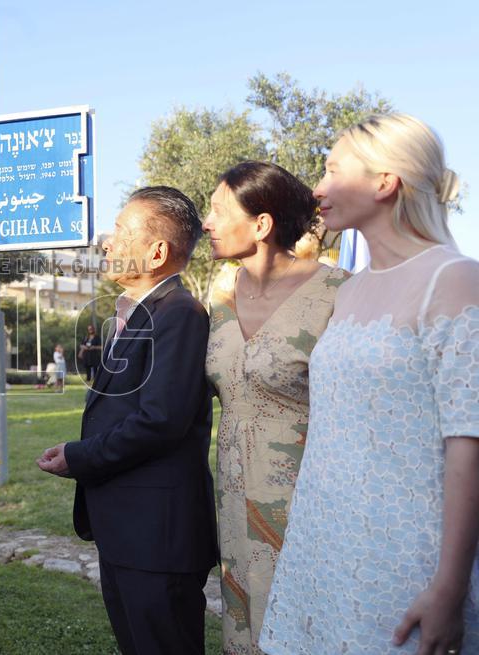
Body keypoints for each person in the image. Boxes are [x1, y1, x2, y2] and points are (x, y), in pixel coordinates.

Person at [260, 114, 479, 655]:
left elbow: (468, 443)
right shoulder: (352, 290)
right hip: (328, 548)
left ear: (385, 182)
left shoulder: (452, 280)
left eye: (334, 171)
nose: (318, 188)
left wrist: (449, 588)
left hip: (406, 563)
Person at [37, 186, 218, 655]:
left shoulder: (178, 314)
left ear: (157, 251)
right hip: (128, 529)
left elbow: (159, 420)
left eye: (120, 232)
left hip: (157, 536)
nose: (107, 244)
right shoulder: (135, 314)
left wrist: (77, 457)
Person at [201, 161, 347, 654]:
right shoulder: (219, 300)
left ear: (261, 224)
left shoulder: (340, 295)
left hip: (309, 505)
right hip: (233, 506)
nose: (207, 222)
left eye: (219, 211)